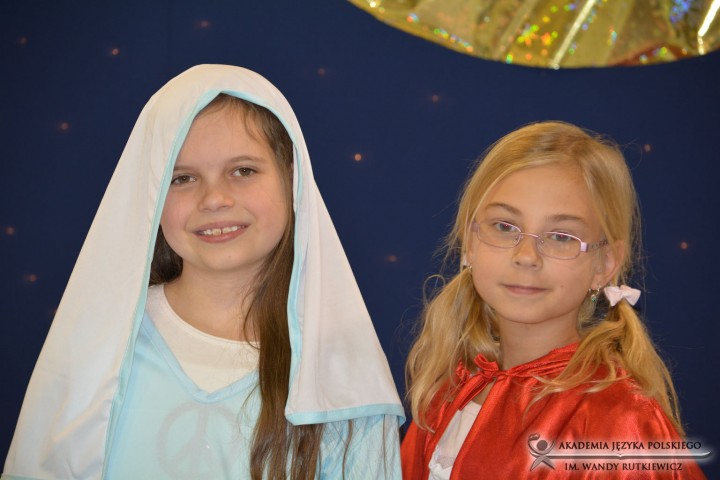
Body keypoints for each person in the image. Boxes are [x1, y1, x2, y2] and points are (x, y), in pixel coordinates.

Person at [3, 65, 404, 479]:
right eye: (182, 178)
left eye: (243, 171)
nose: (214, 198)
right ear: (151, 193)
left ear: (292, 179)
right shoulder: (99, 346)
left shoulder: (341, 372)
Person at [400, 121, 707, 479]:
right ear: (470, 242)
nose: (526, 256)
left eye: (561, 236)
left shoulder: (620, 422)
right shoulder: (448, 390)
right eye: (504, 227)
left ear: (604, 264)